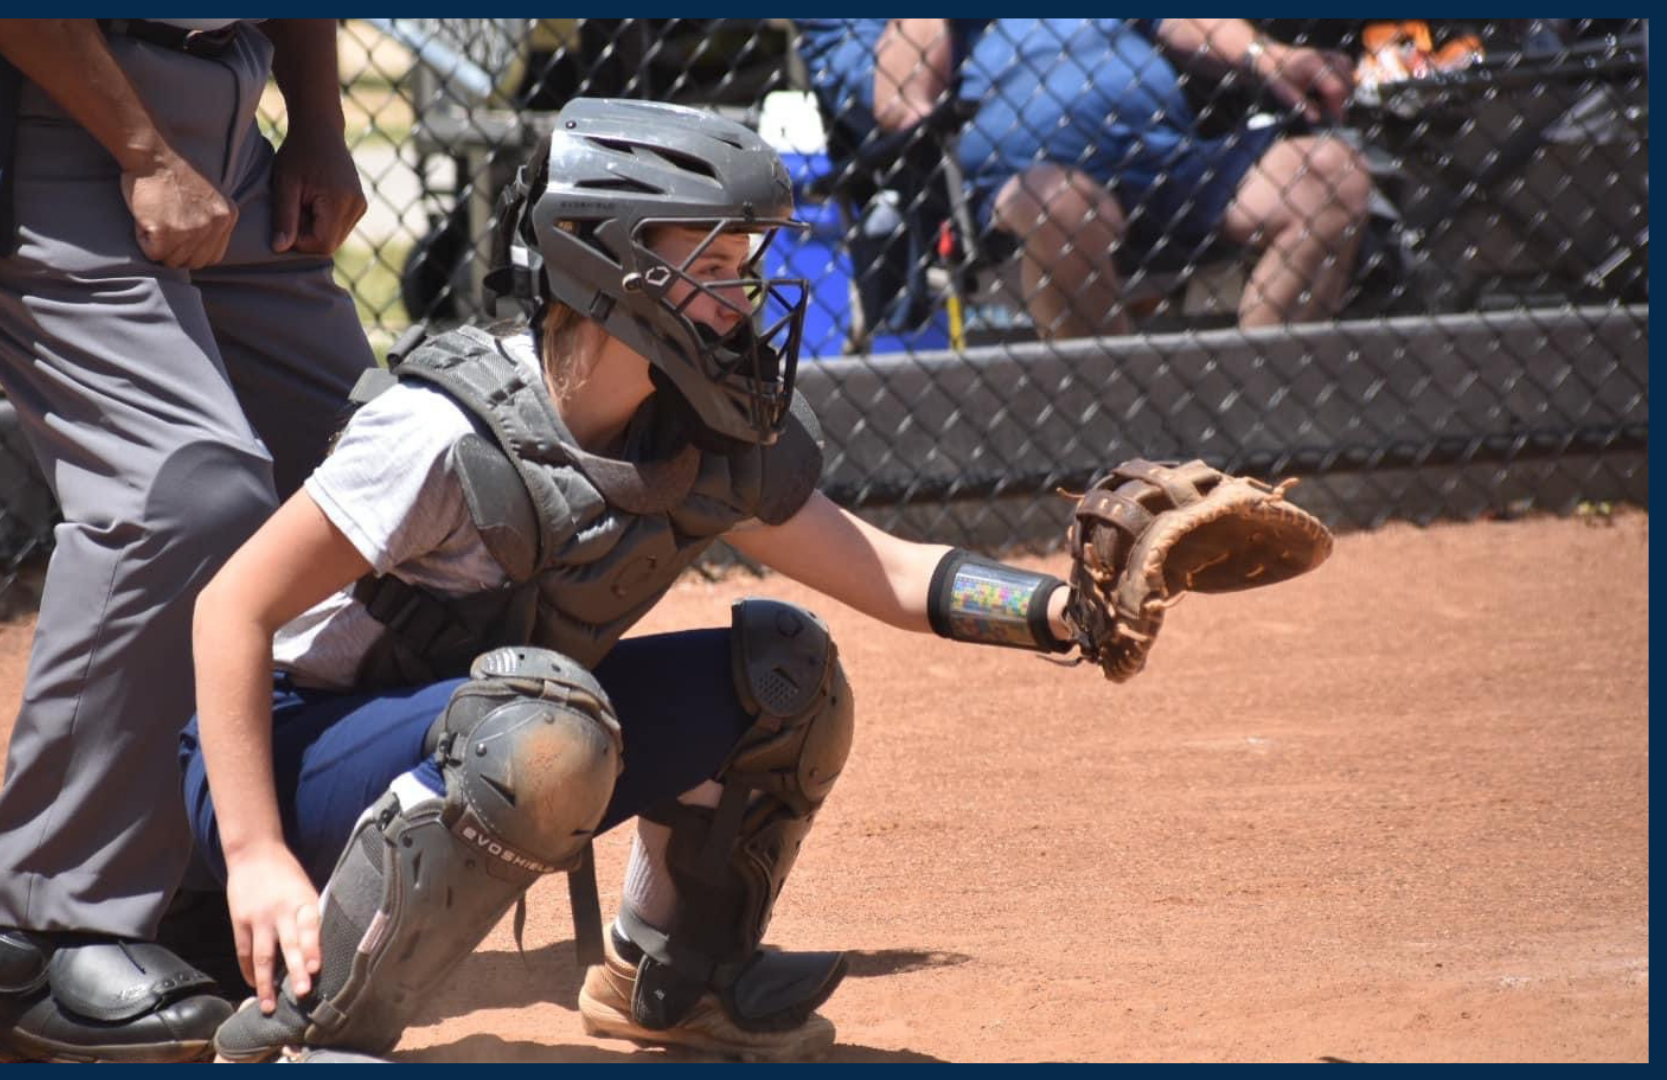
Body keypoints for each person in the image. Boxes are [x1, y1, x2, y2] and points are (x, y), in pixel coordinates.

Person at [175, 96, 1328, 1064]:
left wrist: (1065, 613)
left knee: (785, 677)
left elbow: (884, 570)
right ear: (608, 267)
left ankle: (676, 978)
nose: (745, 300)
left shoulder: (693, 432)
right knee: (541, 723)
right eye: (715, 268)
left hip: (483, 730)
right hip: (293, 761)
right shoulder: (445, 433)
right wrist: (256, 855)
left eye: (747, 267)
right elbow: (233, 609)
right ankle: (311, 1025)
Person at [0, 19, 379, 1063]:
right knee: (185, 492)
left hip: (231, 131)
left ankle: (207, 878)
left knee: (375, 465)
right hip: (42, 109)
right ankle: (33, 937)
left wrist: (317, 121)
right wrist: (143, 151)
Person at [802, 19, 1373, 340]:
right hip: (1020, 190)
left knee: (1331, 173)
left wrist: (1266, 55)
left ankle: (1252, 442)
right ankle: (1128, 456)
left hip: (1167, 158)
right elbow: (899, 104)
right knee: (1061, 205)